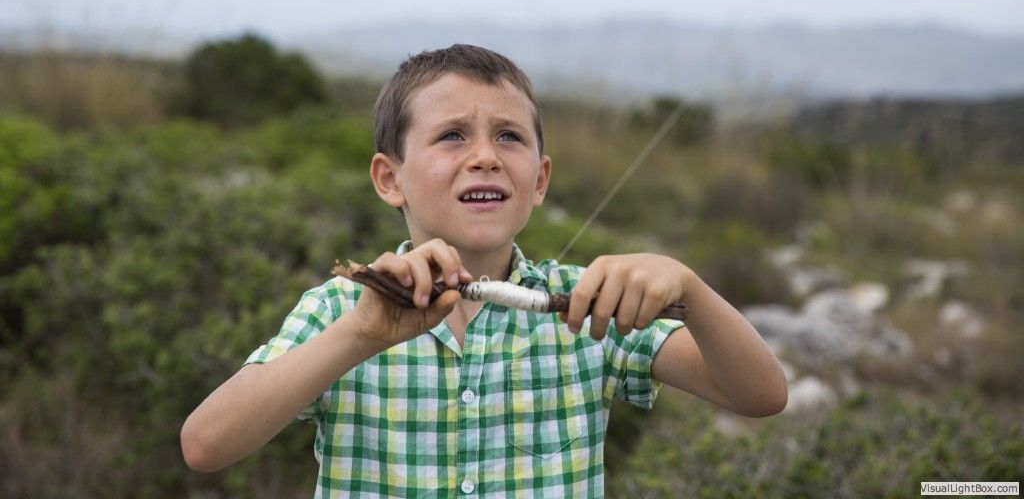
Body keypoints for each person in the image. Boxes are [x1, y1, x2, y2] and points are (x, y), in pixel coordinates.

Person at [181, 44, 787, 497]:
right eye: (451, 136)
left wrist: (692, 289)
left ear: (540, 181)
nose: (484, 158)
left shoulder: (586, 304)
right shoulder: (343, 308)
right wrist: (359, 337)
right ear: (390, 179)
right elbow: (207, 445)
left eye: (508, 137)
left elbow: (760, 395)